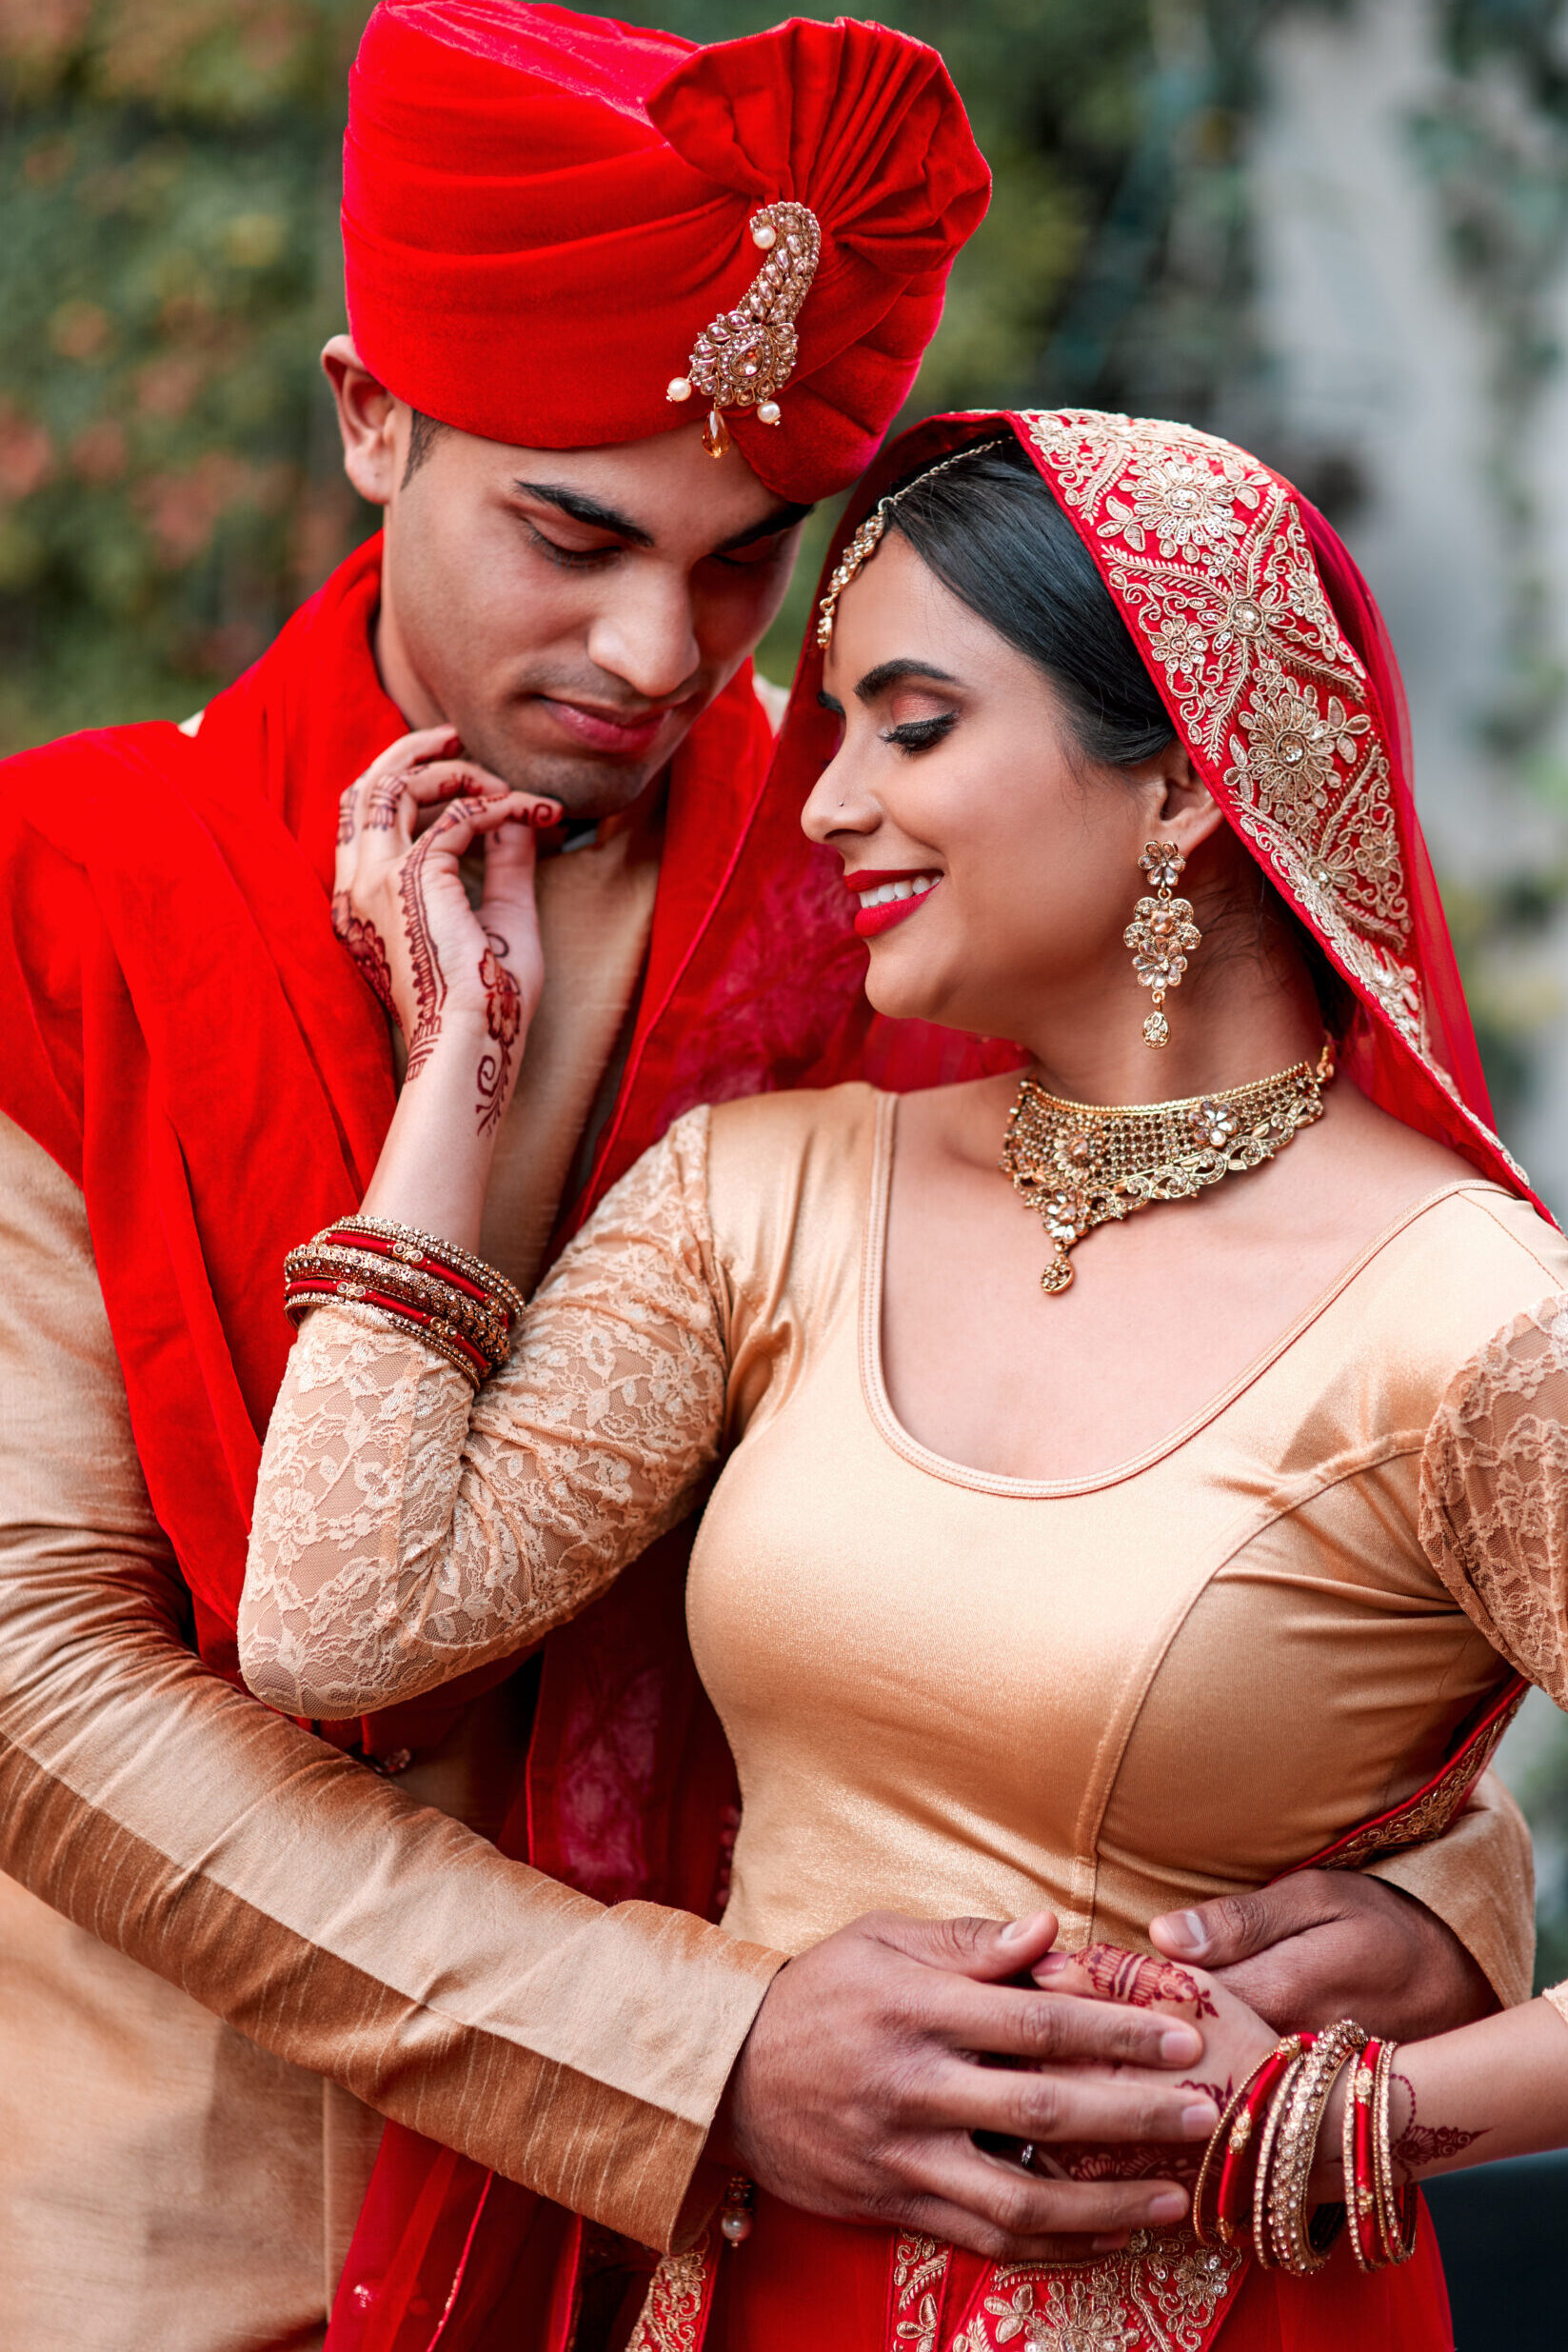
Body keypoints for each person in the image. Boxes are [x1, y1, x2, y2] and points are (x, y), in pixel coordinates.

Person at [0, 6, 1526, 2338]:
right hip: (209, 2230)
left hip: (795, 2240)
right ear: (369, 416)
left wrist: (1428, 1891)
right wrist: (686, 2050)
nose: (655, 651)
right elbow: (43, 1673)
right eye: (572, 531)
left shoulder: (920, 909)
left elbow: (1205, 1500)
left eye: (745, 565)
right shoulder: (66, 896)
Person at [241, 407, 1568, 2349]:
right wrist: (463, 1066)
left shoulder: (1468, 1318)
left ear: (1182, 781)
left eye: (913, 726)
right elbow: (337, 1624)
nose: (827, 802)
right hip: (748, 2288)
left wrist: (1345, 2118)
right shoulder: (761, 1197)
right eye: (838, 726)